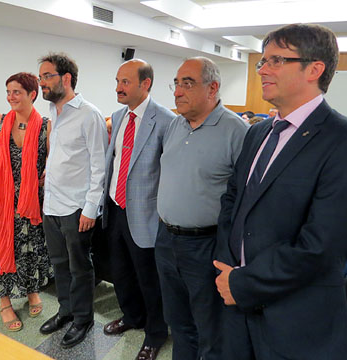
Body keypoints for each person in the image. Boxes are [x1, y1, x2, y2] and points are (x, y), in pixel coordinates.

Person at [214, 23, 347, 360]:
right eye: (262, 61)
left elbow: (321, 246)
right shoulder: (259, 133)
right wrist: (227, 265)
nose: (263, 70)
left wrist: (244, 282)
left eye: (276, 61)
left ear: (314, 69)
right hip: (236, 306)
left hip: (295, 318)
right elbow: (232, 201)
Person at [156, 57, 248, 360]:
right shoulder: (174, 125)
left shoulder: (237, 132)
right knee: (178, 323)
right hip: (166, 240)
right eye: (177, 83)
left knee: (209, 328)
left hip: (205, 246)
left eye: (188, 83)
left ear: (213, 88)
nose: (177, 91)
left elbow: (245, 200)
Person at [102, 59, 174, 360]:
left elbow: (169, 171)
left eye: (126, 82)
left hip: (146, 214)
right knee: (120, 272)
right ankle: (132, 317)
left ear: (146, 84)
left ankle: (156, 333)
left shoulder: (166, 120)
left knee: (149, 278)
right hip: (116, 208)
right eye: (117, 80)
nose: (118, 87)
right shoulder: (118, 116)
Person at [38, 53, 107, 348]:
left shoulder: (89, 114)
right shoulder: (55, 112)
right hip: (52, 204)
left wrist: (91, 208)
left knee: (80, 267)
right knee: (59, 264)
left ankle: (82, 318)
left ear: (66, 78)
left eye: (47, 76)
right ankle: (65, 310)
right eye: (40, 77)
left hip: (77, 208)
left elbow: (99, 166)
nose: (42, 83)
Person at [0, 72, 53, 331]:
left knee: (30, 248)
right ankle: (5, 301)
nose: (11, 97)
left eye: (17, 92)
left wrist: (45, 174)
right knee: (1, 246)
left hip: (31, 201)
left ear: (32, 94)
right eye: (8, 92)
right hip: (0, 199)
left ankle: (31, 291)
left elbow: (53, 161)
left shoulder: (45, 125)